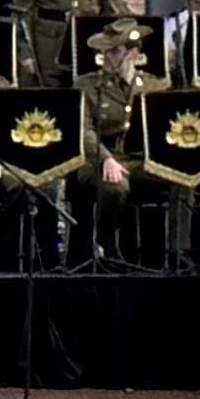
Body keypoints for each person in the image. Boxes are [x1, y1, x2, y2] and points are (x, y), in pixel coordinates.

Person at [74, 23, 163, 266]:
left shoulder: (155, 85)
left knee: (183, 177)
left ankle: (176, 250)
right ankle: (107, 244)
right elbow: (84, 130)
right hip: (99, 158)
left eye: (115, 52)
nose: (107, 58)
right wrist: (105, 158)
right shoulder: (88, 85)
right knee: (115, 186)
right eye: (106, 53)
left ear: (133, 54)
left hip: (139, 157)